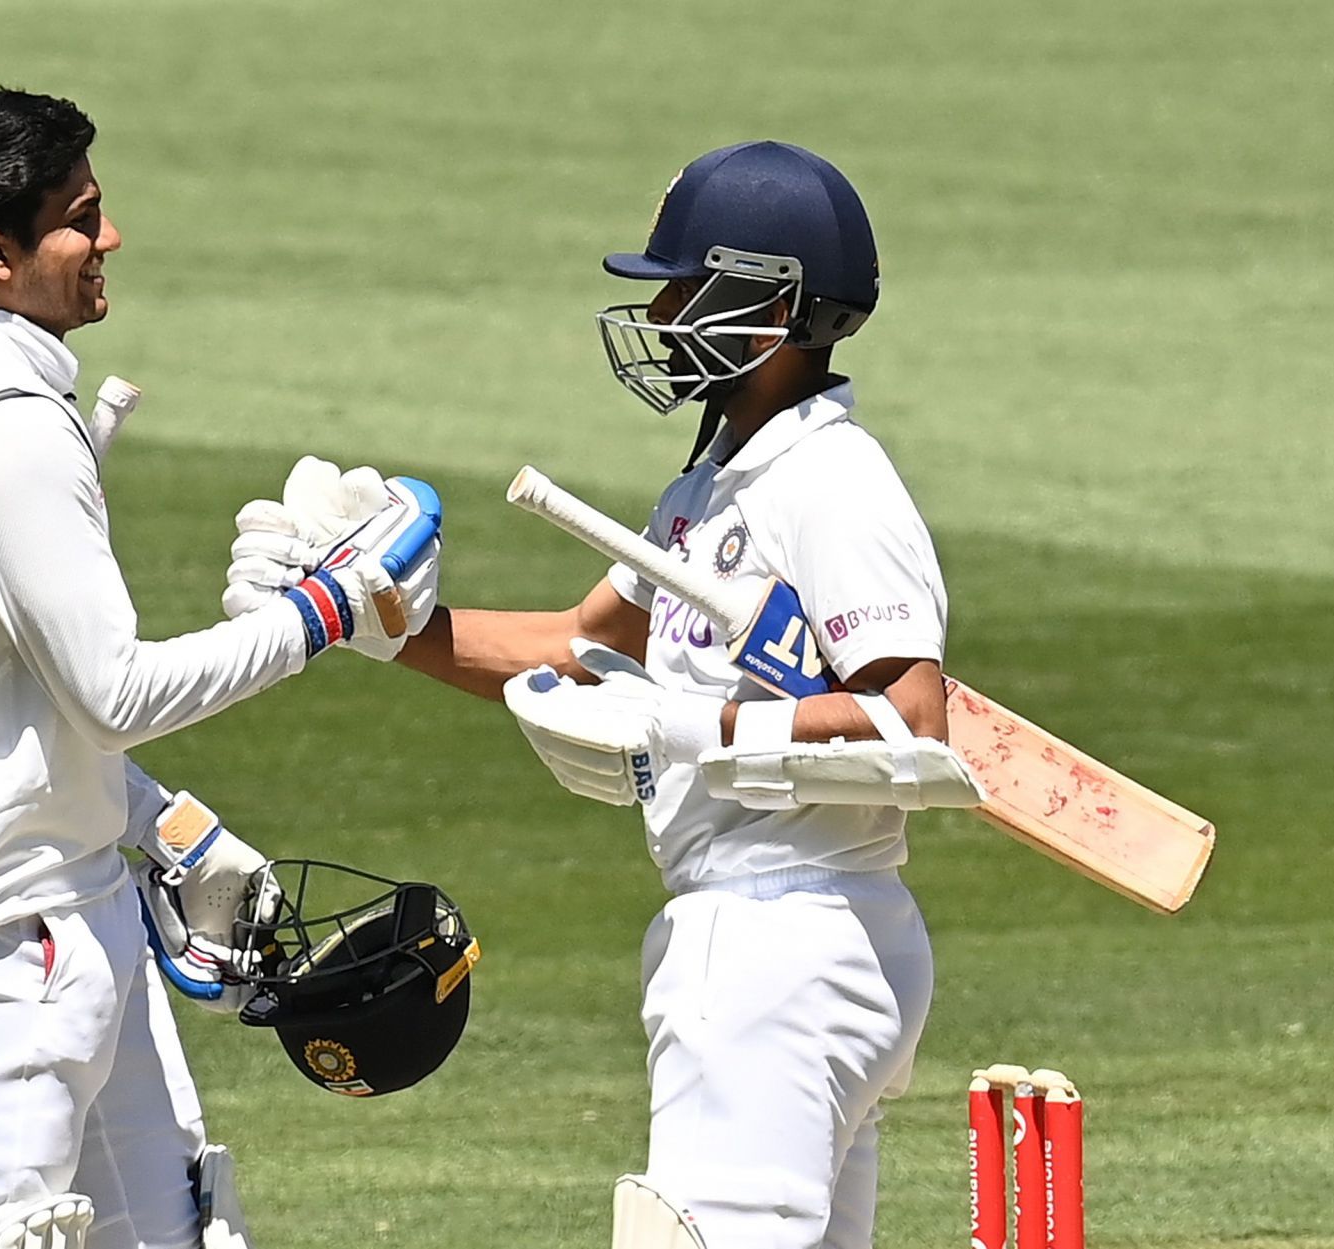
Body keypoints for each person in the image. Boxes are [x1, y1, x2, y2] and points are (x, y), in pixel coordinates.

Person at [225, 140, 946, 1249]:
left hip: (781, 935)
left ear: (768, 304)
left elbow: (911, 716)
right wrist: (359, 623)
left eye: (684, 285)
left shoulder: (830, 482)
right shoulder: (714, 487)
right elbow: (571, 645)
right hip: (780, 931)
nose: (659, 310)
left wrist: (687, 727)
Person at [0, 86, 437, 1249]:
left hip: (66, 912)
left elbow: (10, 705)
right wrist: (328, 608)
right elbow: (119, 691)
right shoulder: (4, 425)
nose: (109, 240)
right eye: (81, 217)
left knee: (180, 1233)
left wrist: (160, 824)